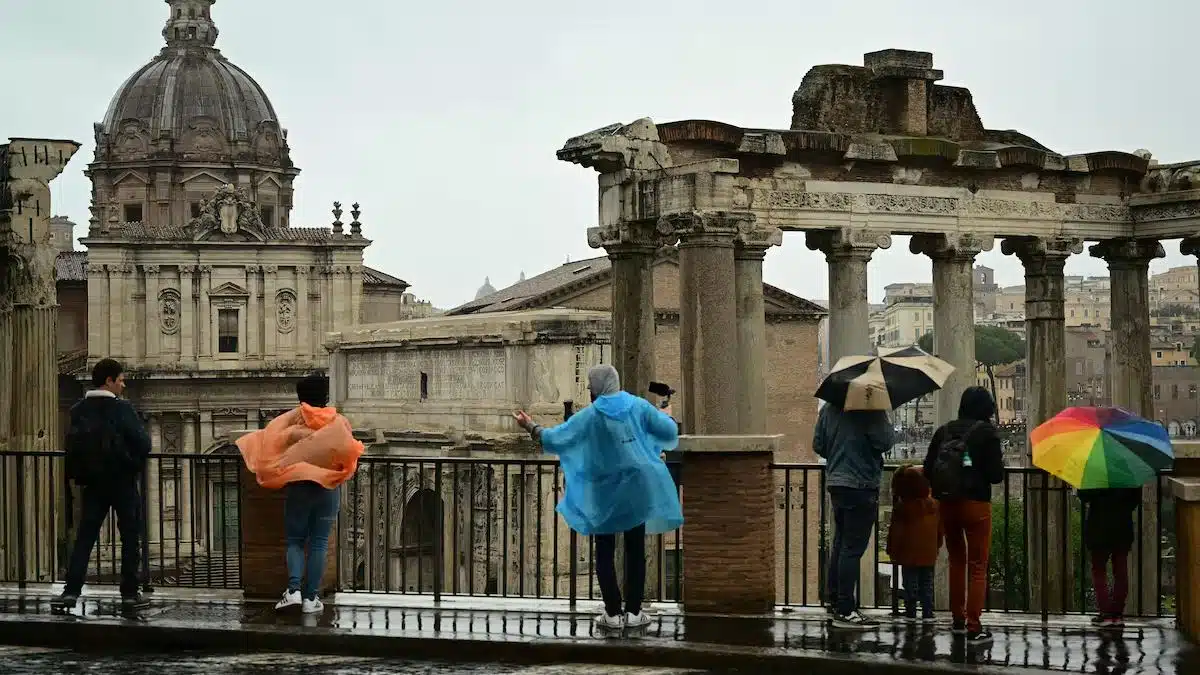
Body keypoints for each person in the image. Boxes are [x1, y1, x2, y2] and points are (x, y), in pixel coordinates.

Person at [512, 364, 682, 632]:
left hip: (604, 492)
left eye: (591, 386)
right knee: (635, 550)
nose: (590, 391)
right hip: (637, 488)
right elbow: (669, 432)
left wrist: (530, 425)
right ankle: (635, 613)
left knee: (604, 551)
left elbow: (557, 437)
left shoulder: (592, 415)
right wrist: (667, 416)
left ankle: (613, 614)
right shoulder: (638, 406)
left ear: (599, 387)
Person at [236, 374, 363, 614]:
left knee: (295, 541)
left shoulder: (293, 423)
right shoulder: (339, 421)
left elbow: (271, 444)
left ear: (300, 397)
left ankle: (293, 591)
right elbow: (349, 453)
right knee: (319, 543)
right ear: (325, 396)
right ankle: (311, 598)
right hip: (328, 490)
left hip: (299, 488)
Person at [53, 358, 153, 612]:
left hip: (92, 483)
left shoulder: (78, 410)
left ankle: (71, 592)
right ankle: (130, 593)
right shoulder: (122, 409)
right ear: (109, 381)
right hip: (122, 481)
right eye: (120, 380)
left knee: (85, 538)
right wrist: (131, 462)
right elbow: (143, 443)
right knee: (130, 537)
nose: (123, 385)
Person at [923, 386, 1004, 644]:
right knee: (977, 566)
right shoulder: (986, 433)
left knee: (957, 562)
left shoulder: (944, 431)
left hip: (947, 503)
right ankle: (974, 625)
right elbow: (996, 476)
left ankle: (957, 620)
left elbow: (927, 469)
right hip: (976, 505)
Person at [813, 400, 894, 629]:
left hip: (837, 482)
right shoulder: (870, 408)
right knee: (852, 547)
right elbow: (885, 441)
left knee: (840, 542)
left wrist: (838, 451)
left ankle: (834, 599)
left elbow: (818, 444)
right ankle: (846, 609)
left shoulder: (829, 408)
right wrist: (884, 417)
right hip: (861, 484)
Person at [886, 465, 941, 624]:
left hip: (908, 553)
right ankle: (928, 612)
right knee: (927, 582)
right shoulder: (934, 505)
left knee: (910, 583)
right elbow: (940, 530)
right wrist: (937, 545)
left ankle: (910, 612)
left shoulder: (902, 508)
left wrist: (892, 549)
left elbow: (896, 532)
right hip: (928, 552)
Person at [1079, 487, 1142, 628]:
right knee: (1121, 570)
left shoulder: (1095, 471)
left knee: (1099, 570)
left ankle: (1106, 613)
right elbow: (1135, 500)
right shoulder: (1127, 472)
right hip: (1122, 525)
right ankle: (1117, 614)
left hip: (1099, 526)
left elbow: (1084, 496)